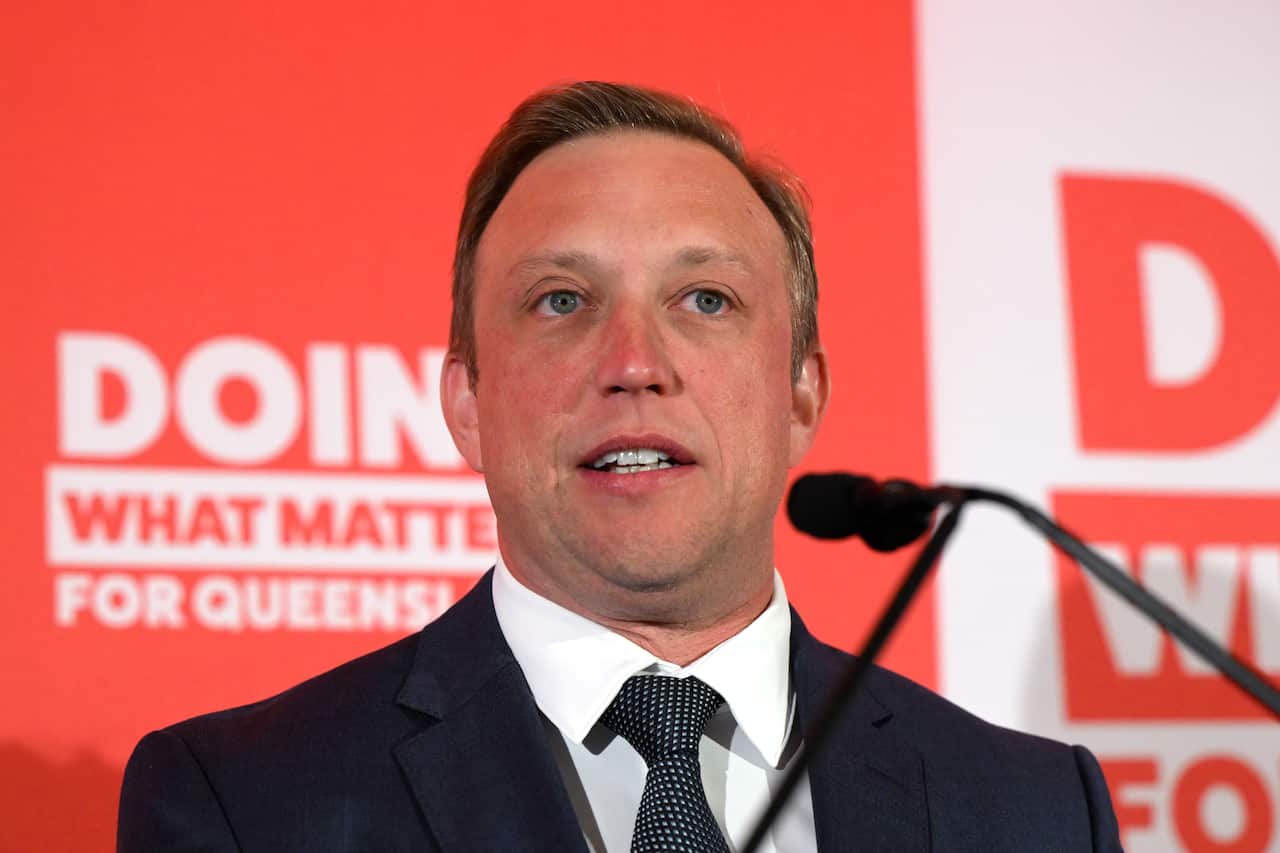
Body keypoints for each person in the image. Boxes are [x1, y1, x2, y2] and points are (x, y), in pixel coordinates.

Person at [118, 82, 1122, 852]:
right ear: (467, 404)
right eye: (561, 300)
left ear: (800, 395)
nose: (635, 363)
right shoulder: (244, 800)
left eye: (706, 300)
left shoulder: (1035, 811)